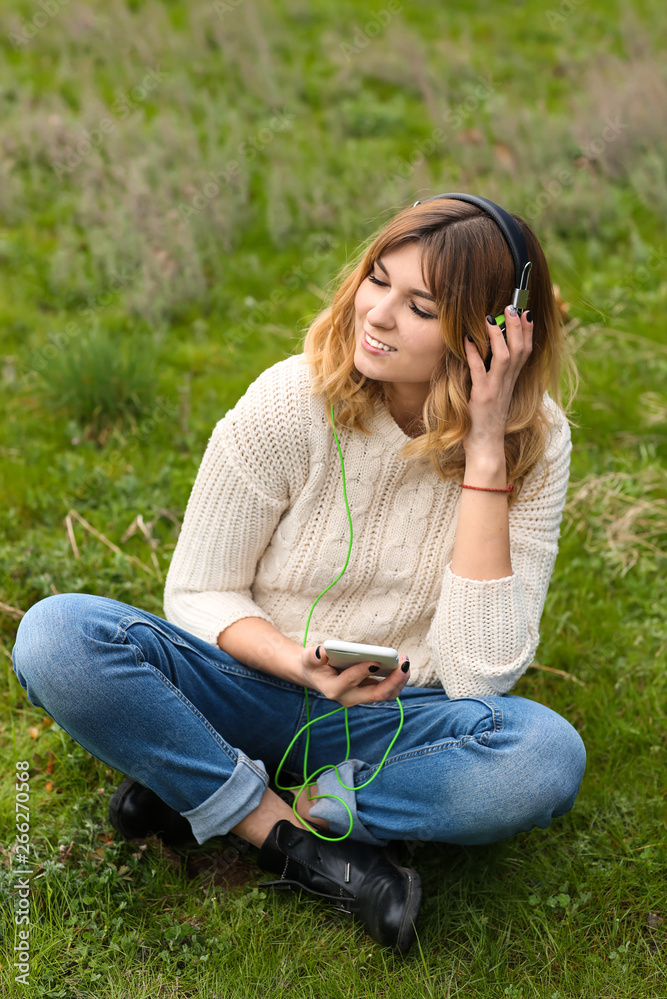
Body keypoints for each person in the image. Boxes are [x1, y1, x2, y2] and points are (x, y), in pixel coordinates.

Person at [12, 195, 586, 957]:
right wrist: (295, 663)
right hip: (245, 679)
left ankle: (211, 781)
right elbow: (198, 591)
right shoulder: (291, 397)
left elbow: (482, 674)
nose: (375, 315)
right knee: (57, 633)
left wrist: (484, 455)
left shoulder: (532, 442)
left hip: (392, 717)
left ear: (491, 334)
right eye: (376, 280)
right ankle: (290, 841)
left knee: (543, 759)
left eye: (417, 305)